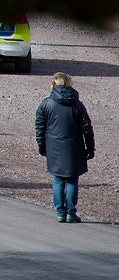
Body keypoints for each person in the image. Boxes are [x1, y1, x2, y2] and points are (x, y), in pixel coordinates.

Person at [36, 72, 96, 222]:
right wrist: (90, 147)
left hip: (54, 146)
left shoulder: (46, 103)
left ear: (53, 84)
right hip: (74, 146)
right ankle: (71, 212)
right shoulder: (77, 104)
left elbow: (40, 127)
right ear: (69, 84)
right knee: (71, 179)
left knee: (57, 179)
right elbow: (86, 127)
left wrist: (42, 146)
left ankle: (60, 212)